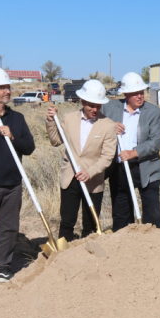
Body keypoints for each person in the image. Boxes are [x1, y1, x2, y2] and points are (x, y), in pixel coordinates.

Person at [45, 80, 117, 240]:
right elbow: (56, 141)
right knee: (67, 222)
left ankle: (88, 253)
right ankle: (65, 252)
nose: (95, 109)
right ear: (83, 101)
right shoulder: (69, 118)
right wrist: (51, 121)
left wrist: (89, 172)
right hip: (69, 177)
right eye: (91, 105)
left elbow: (107, 156)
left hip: (93, 180)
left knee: (90, 225)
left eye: (98, 106)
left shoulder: (108, 125)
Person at [101, 72, 160, 230]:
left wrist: (133, 153)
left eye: (141, 92)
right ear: (125, 94)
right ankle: (125, 241)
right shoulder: (108, 108)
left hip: (146, 167)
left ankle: (155, 241)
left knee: (152, 213)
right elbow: (95, 123)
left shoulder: (154, 112)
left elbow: (155, 143)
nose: (140, 96)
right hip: (119, 169)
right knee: (121, 213)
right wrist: (109, 127)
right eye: (135, 93)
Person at [0, 68, 35, 282]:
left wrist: (13, 137)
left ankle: (1, 266)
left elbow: (29, 147)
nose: (7, 91)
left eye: (8, 87)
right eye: (1, 87)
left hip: (12, 184)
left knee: (9, 228)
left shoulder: (17, 118)